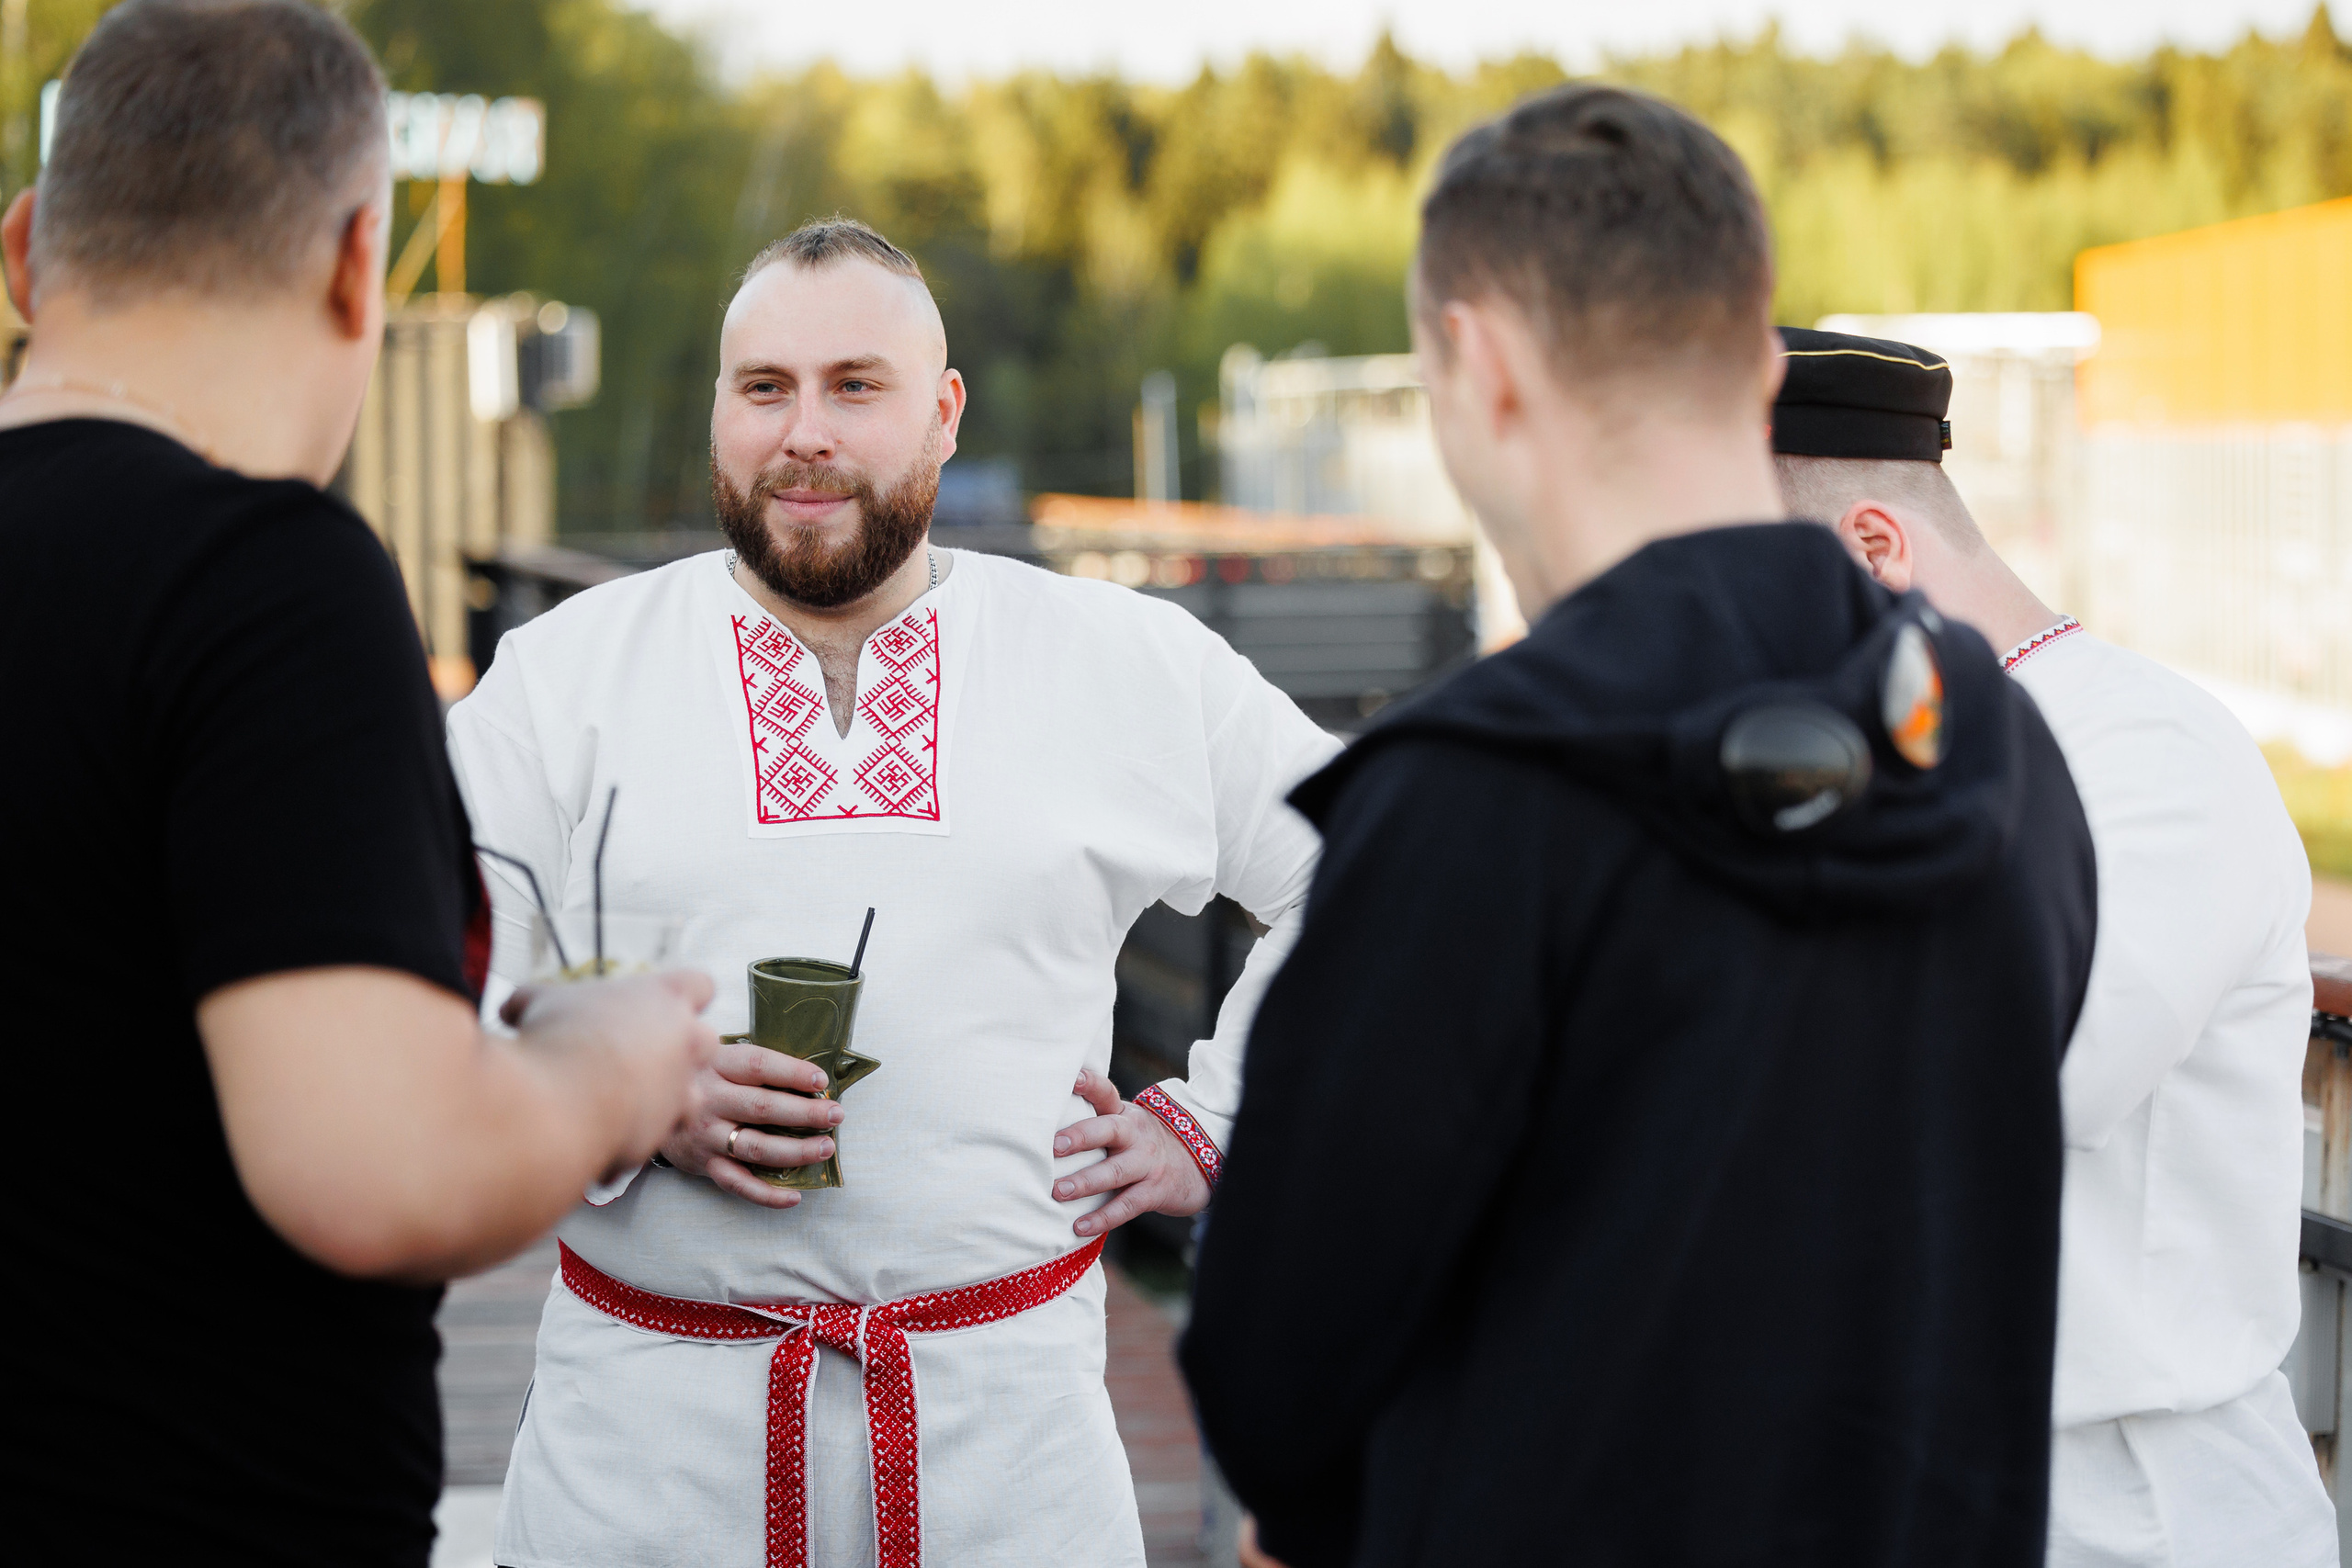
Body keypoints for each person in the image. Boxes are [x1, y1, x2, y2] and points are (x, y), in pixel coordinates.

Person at [1181, 84, 2098, 1568]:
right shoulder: (1994, 747)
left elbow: (1273, 1386)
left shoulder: (1470, 796)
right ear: (1753, 356)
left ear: (1476, 367)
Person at [445, 216, 1338, 1567]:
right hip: (639, 1480)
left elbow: (1366, 865)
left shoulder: (1122, 662)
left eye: (856, 387)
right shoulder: (568, 676)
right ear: (722, 411)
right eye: (766, 389)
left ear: (944, 411)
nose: (806, 434)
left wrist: (1210, 1120)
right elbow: (425, 951)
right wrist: (623, 1091)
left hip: (1013, 1474)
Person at [0, 5, 717, 1564]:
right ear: (351, 263)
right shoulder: (260, 584)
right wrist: (606, 1065)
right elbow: (380, 1172)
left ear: (23, 255)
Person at [1772, 325, 2337, 1568]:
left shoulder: (2151, 757)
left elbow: (2001, 1074)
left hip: (2133, 1518)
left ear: (1874, 551)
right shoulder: (1855, 760)